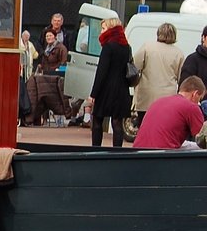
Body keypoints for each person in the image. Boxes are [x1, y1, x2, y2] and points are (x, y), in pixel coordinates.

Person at [86, 17, 132, 147]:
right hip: (122, 89)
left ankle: (96, 151)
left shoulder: (108, 47)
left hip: (106, 89)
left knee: (97, 121)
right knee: (117, 123)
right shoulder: (126, 47)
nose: (101, 31)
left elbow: (101, 72)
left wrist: (93, 94)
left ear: (111, 29)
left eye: (104, 28)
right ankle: (117, 153)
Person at [133, 22, 184, 128]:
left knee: (144, 126)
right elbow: (181, 77)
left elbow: (135, 66)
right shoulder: (178, 53)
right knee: (162, 128)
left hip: (147, 96)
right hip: (167, 98)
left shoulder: (147, 47)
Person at [132, 76, 206, 149]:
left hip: (138, 151)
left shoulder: (159, 101)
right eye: (199, 98)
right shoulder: (192, 107)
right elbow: (203, 139)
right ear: (195, 94)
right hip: (164, 154)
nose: (198, 102)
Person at [27, 28, 70, 127]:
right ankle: (43, 119)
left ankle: (60, 118)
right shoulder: (47, 48)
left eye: (50, 36)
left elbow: (63, 62)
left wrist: (57, 70)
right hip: (45, 75)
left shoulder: (61, 48)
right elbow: (44, 61)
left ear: (54, 36)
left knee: (56, 98)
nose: (48, 38)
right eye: (47, 36)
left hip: (56, 77)